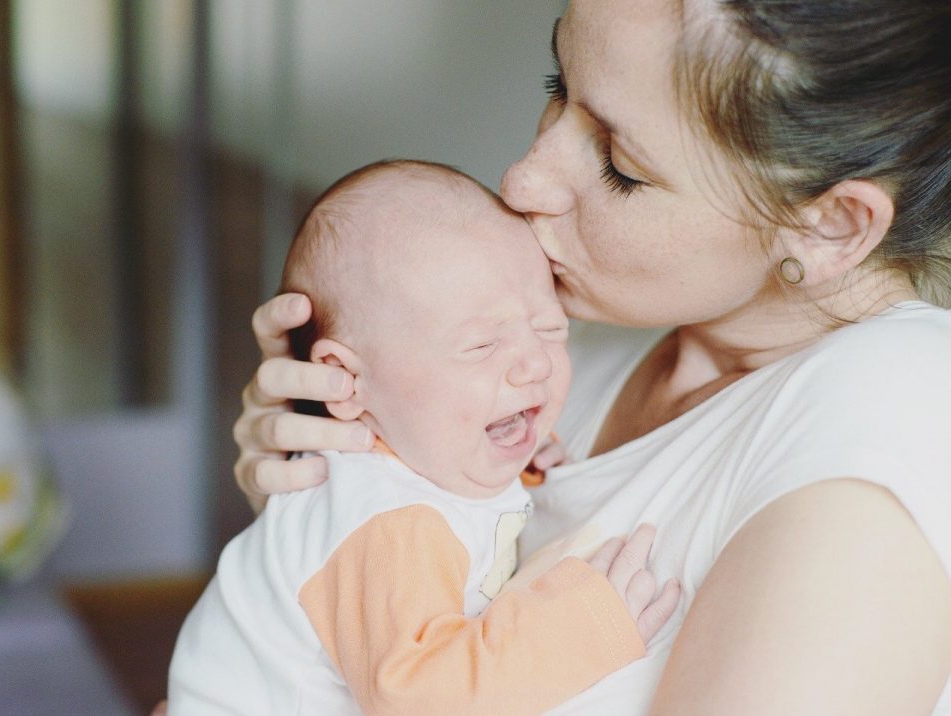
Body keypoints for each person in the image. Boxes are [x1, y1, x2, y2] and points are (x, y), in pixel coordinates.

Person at [232, 1, 951, 713]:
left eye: (618, 163)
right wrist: (335, 500)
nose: (522, 179)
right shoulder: (577, 334)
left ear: (828, 226)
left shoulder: (891, 418)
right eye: (558, 89)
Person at [168, 160, 681, 715]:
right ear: (348, 382)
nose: (534, 362)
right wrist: (578, 630)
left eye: (549, 327)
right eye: (480, 345)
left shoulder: (422, 452)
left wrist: (523, 454)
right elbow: (416, 696)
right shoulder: (386, 523)